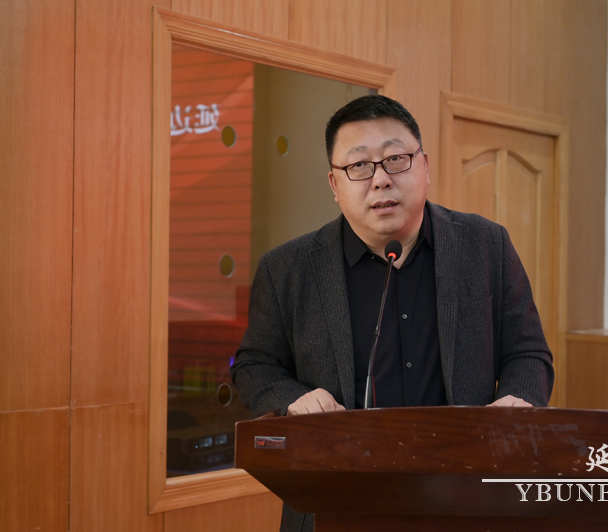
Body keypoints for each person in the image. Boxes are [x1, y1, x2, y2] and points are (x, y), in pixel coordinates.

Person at [230, 95, 553, 531]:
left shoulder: (485, 245)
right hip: (337, 501)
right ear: (334, 184)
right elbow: (254, 366)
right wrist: (291, 399)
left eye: (396, 159)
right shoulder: (287, 268)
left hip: (466, 497)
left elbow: (528, 351)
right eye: (359, 166)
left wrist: (517, 399)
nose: (380, 180)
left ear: (425, 166)